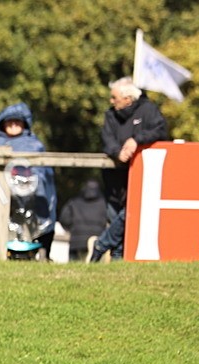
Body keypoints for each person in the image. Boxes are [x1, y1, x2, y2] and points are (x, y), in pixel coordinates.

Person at [91, 77, 170, 262]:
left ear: (127, 99)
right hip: (114, 177)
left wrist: (137, 140)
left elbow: (160, 131)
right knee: (115, 216)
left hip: (141, 175)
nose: (111, 101)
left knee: (129, 213)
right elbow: (106, 139)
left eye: (114, 97)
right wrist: (117, 152)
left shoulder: (148, 110)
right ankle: (116, 258)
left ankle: (102, 245)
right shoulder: (110, 115)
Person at [0, 102, 57, 254]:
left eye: (18, 121)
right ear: (3, 123)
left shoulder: (33, 144)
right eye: (10, 121)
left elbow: (43, 172)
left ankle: (36, 243)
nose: (14, 125)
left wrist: (26, 180)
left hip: (26, 193)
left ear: (24, 124)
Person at [59, 179, 108, 260]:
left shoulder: (73, 202)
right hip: (97, 240)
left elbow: (64, 219)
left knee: (74, 265)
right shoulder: (104, 203)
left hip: (76, 241)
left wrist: (72, 229)